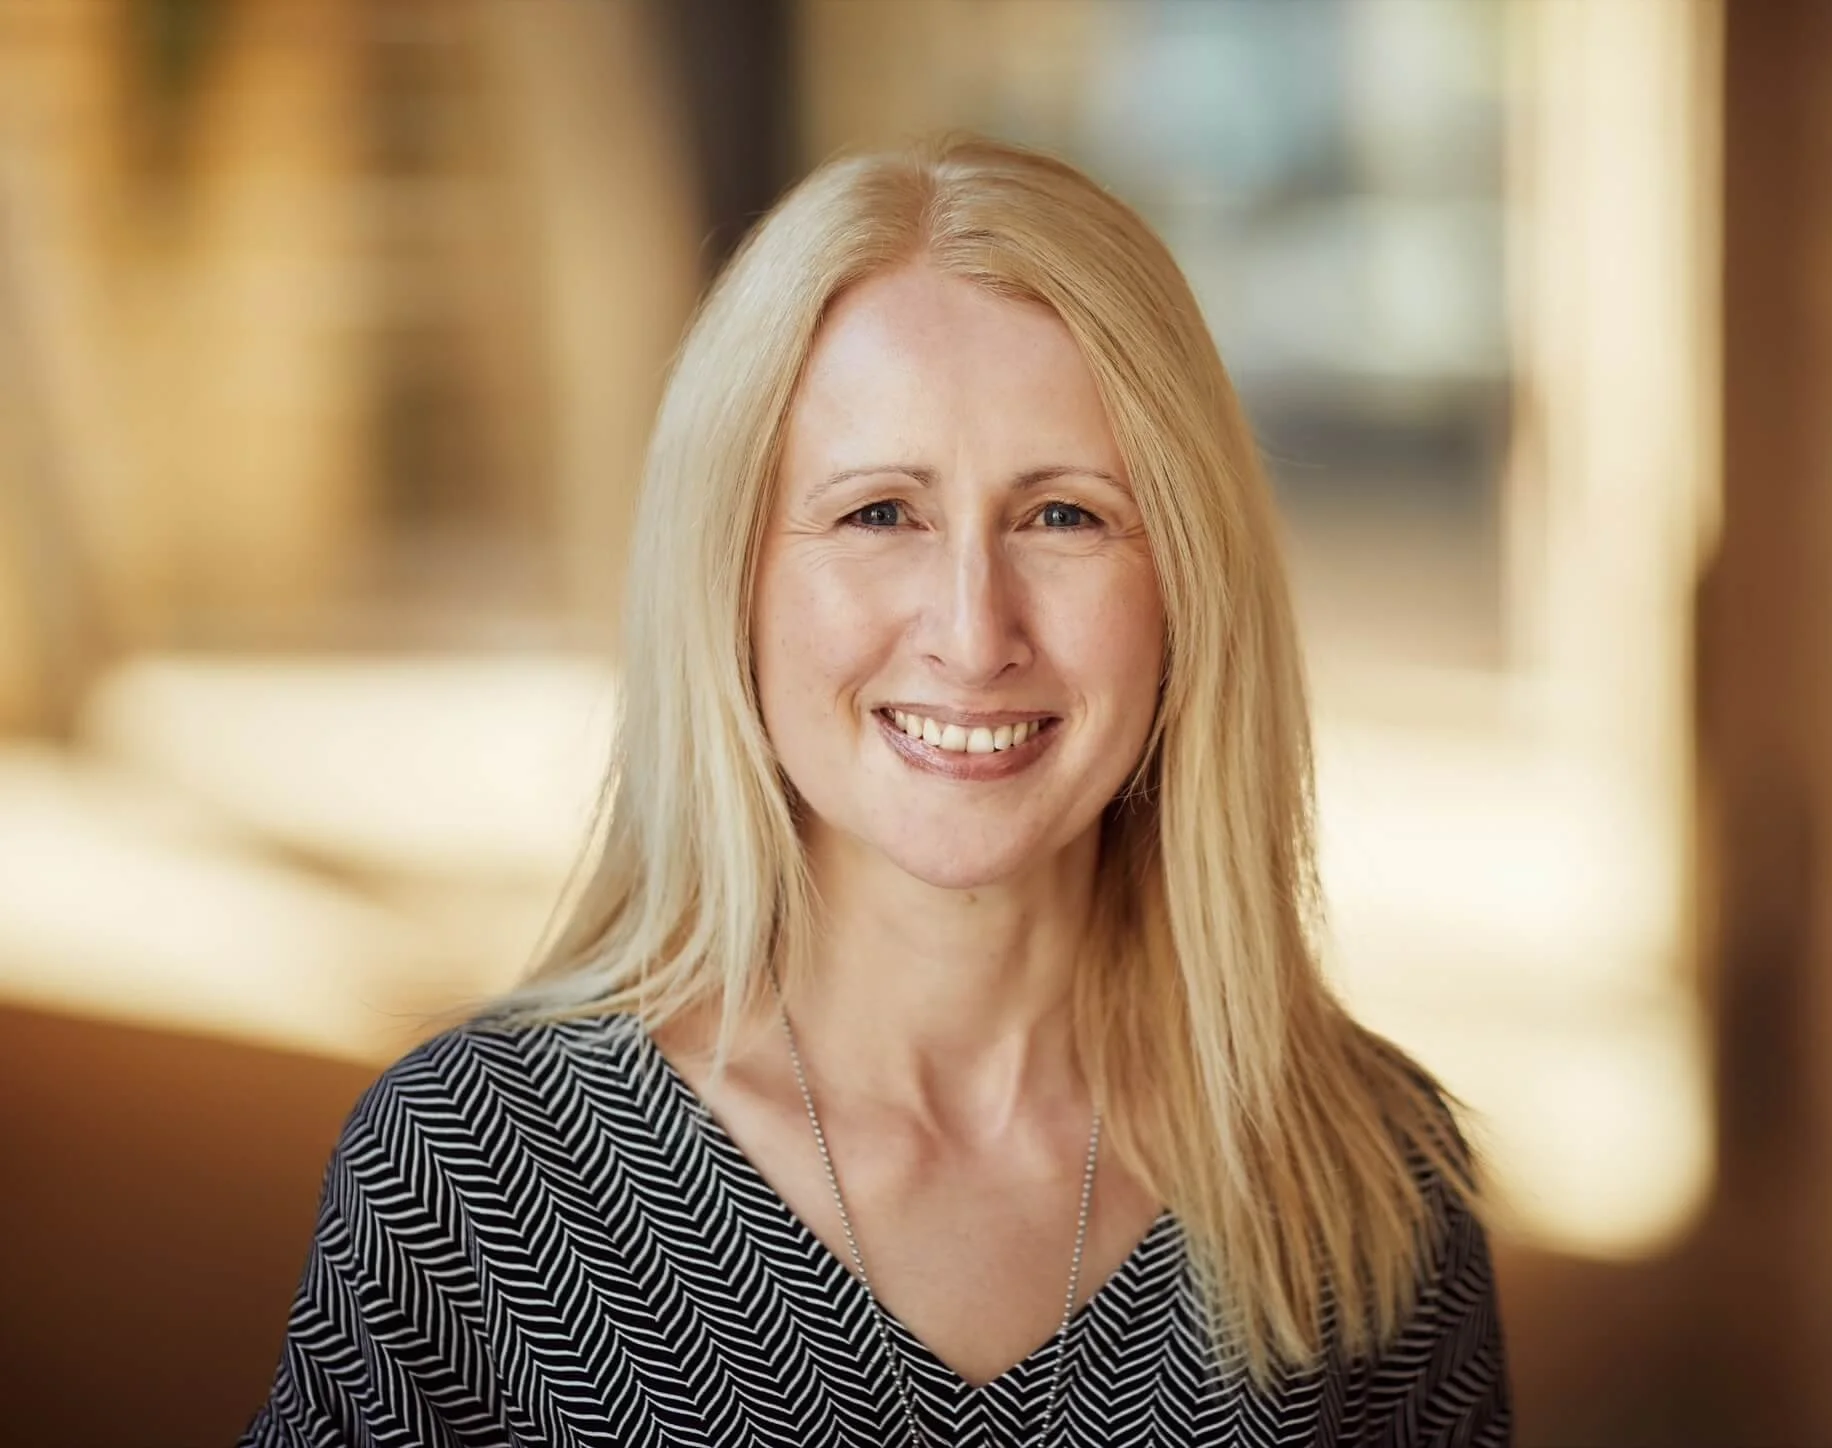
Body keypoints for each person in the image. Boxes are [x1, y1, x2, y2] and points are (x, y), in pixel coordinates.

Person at [241, 133, 1512, 1448]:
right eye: (880, 513)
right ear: (732, 576)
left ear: (1188, 581)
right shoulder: (476, 1172)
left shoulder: (1370, 1179)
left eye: (1064, 515)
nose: (973, 633)